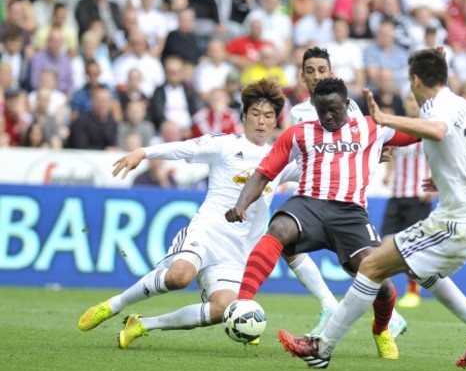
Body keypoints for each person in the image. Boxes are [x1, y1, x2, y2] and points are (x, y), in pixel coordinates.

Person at [277, 47, 466, 369]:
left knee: (371, 267)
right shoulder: (464, 106)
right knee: (422, 269)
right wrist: (453, 174)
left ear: (416, 79)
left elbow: (438, 130)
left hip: (456, 220)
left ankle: (322, 346)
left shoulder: (435, 109)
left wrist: (385, 119)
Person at [77, 79, 301, 348]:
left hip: (238, 252)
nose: (261, 121)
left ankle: (143, 324)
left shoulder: (281, 160)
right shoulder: (225, 145)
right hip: (208, 232)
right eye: (255, 114)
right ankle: (113, 305)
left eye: (268, 116)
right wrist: (142, 152)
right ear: (243, 117)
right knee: (178, 277)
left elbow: (319, 170)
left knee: (221, 309)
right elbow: (182, 147)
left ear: (277, 121)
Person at [225, 78, 422, 360]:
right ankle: (243, 304)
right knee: (279, 227)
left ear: (347, 106)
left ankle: (381, 329)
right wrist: (241, 203)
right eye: (322, 110)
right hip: (309, 204)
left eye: (335, 110)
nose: (328, 116)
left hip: (351, 213)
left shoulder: (370, 127)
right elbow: (264, 172)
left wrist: (432, 88)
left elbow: (421, 132)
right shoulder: (299, 133)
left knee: (381, 279)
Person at [287, 46, 407, 338]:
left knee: (357, 261)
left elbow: (358, 141)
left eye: (322, 70)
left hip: (344, 196)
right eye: (311, 71)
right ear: (302, 77)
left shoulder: (349, 105)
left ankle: (382, 315)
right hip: (314, 191)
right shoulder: (298, 112)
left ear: (332, 73)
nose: (317, 76)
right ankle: (341, 306)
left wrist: (373, 154)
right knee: (290, 246)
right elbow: (304, 158)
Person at [382, 93, 434, 309]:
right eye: (409, 101)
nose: (412, 104)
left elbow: (438, 157)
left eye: (415, 100)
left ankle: (413, 290)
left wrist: (435, 184)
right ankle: (386, 291)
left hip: (418, 194)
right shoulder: (398, 128)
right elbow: (391, 151)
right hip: (397, 193)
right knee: (385, 243)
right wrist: (388, 172)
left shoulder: (428, 128)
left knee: (413, 247)